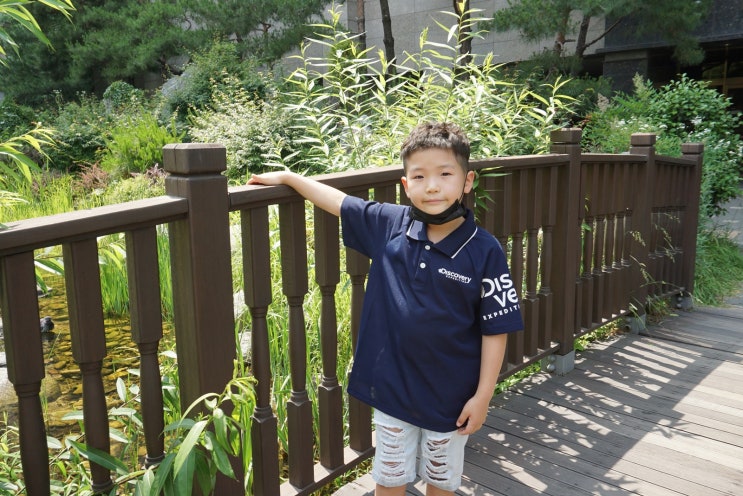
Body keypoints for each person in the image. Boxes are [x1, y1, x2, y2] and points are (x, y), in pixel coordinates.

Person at [248, 122, 523, 496]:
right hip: (393, 392)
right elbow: (340, 203)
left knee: (441, 482)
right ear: (406, 185)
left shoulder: (484, 250)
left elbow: (496, 328)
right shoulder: (391, 224)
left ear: (467, 180)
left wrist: (483, 396)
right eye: (419, 176)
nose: (432, 186)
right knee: (389, 480)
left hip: (453, 399)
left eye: (445, 174)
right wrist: (289, 177)